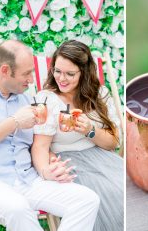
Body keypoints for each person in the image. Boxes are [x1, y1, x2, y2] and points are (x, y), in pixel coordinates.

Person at [0, 40, 100, 231]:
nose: (32, 80)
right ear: (5, 70)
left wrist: (49, 166)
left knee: (87, 200)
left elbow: (37, 145)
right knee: (18, 207)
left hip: (27, 180)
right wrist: (14, 122)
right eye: (26, 73)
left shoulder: (26, 98)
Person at [32, 40, 124, 231]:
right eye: (57, 71)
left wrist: (90, 130)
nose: (62, 78)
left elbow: (113, 143)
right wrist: (45, 171)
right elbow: (40, 146)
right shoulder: (47, 99)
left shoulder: (99, 94)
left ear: (84, 73)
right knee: (106, 194)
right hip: (68, 162)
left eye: (70, 74)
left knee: (125, 189)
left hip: (102, 159)